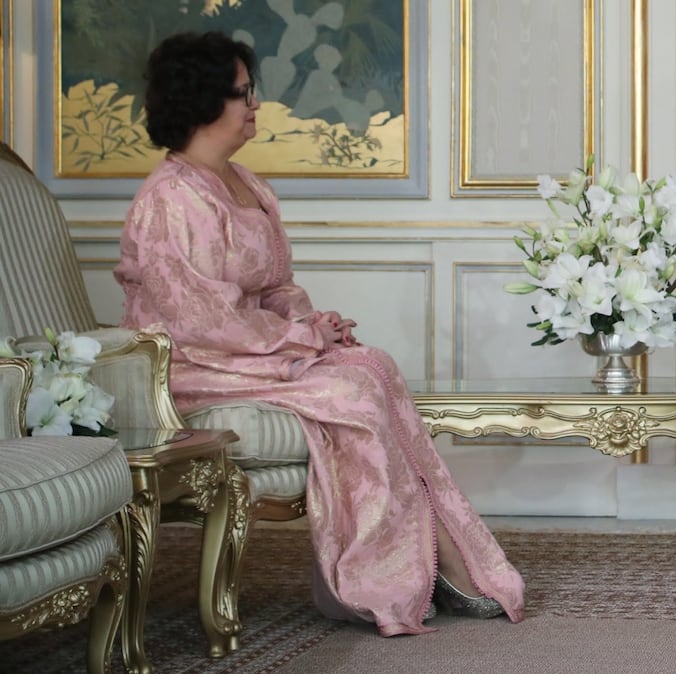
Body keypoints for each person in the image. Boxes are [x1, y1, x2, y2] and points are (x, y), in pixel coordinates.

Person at [114, 31, 525, 636]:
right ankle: (394, 574)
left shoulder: (244, 183)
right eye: (243, 93)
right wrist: (303, 339)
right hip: (190, 364)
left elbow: (276, 287)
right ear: (203, 100)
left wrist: (317, 326)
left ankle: (429, 558)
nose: (255, 105)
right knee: (351, 393)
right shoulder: (172, 200)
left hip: (245, 349)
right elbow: (200, 319)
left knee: (373, 364)